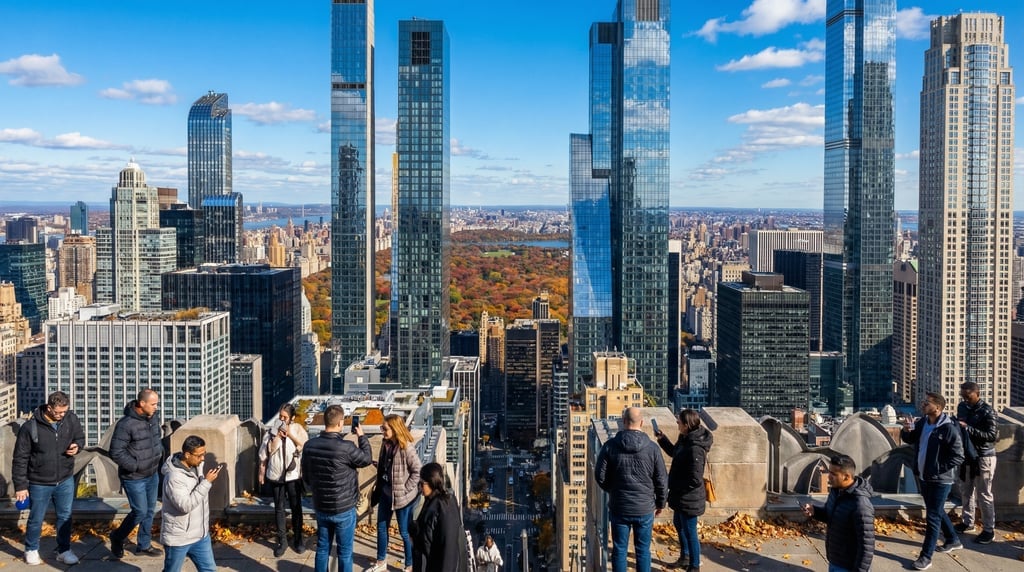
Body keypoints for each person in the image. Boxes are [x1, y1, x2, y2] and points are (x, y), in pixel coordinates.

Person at [11, 390, 85, 566]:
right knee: (36, 517)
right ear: (49, 407)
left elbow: (80, 437)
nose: (61, 415)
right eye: (57, 412)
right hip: (39, 481)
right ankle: (31, 549)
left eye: (64, 412)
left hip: (65, 478)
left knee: (65, 516)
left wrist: (77, 446)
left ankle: (64, 549)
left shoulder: (71, 420)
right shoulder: (30, 427)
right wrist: (21, 486)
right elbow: (20, 458)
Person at [595, 406, 668, 572]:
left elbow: (600, 476)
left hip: (620, 506)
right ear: (641, 423)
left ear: (623, 422)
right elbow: (662, 480)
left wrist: (612, 491)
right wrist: (660, 503)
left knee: (619, 549)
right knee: (643, 550)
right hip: (644, 507)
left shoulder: (609, 446)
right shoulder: (652, 448)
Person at [302, 405, 373, 572]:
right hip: (344, 507)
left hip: (321, 505)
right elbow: (366, 459)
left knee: (322, 548)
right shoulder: (346, 447)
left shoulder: (309, 446)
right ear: (341, 423)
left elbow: (305, 475)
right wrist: (361, 436)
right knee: (345, 552)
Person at [901, 392, 965, 570]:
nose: (923, 405)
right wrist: (906, 430)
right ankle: (953, 539)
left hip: (940, 480)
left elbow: (958, 456)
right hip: (923, 476)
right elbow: (911, 440)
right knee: (935, 511)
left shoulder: (948, 428)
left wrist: (937, 469)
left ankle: (925, 557)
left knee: (932, 518)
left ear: (937, 407)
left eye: (926, 403)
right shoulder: (923, 422)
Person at [109, 388, 165, 559]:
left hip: (152, 473)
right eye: (153, 404)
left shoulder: (152, 418)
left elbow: (155, 440)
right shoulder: (126, 424)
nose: (156, 407)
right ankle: (117, 537)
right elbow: (116, 451)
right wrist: (136, 466)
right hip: (134, 477)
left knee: (149, 510)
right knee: (139, 511)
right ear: (142, 403)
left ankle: (144, 544)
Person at [655, 409, 712, 572]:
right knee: (679, 524)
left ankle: (694, 566)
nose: (677, 423)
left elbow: (695, 478)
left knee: (690, 530)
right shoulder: (685, 438)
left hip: (689, 497)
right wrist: (662, 439)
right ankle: (685, 557)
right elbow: (675, 452)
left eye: (679, 421)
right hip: (681, 496)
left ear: (687, 425)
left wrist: (676, 485)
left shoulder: (695, 448)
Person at [367, 414, 423, 572]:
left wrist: (404, 489)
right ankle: (381, 560)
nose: (382, 431)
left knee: (404, 532)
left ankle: (409, 565)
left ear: (395, 429)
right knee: (381, 528)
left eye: (385, 428)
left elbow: (417, 471)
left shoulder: (406, 448)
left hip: (402, 498)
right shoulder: (386, 445)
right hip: (385, 493)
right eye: (382, 428)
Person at [801, 455, 875, 572]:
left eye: (834, 474)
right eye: (829, 472)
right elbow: (831, 516)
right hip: (835, 560)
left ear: (847, 477)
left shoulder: (861, 505)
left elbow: (867, 547)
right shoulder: (836, 492)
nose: (829, 477)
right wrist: (815, 511)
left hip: (849, 566)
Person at [161, 435, 221, 572]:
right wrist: (206, 483)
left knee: (210, 570)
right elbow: (185, 506)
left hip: (201, 535)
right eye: (199, 455)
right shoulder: (174, 478)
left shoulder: (197, 466)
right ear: (187, 454)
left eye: (204, 454)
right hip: (179, 538)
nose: (203, 458)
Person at [259, 403, 309, 557]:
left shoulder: (298, 429)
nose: (281, 419)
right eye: (280, 416)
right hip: (276, 475)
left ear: (292, 418)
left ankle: (298, 539)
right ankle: (282, 540)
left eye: (285, 417)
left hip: (293, 475)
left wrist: (290, 435)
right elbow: (265, 454)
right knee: (279, 508)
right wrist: (276, 438)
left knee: (296, 507)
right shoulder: (271, 432)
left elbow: (305, 445)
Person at [955, 381, 998, 544]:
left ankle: (989, 529)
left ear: (977, 393)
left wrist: (968, 428)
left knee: (984, 493)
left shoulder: (988, 411)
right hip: (967, 455)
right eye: (963, 395)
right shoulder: (962, 407)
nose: (965, 399)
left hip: (984, 456)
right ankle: (967, 522)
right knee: (966, 490)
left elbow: (992, 436)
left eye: (968, 396)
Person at [410, 462, 468, 572]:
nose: (420, 488)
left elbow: (447, 547)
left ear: (432, 482)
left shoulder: (441, 507)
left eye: (422, 484)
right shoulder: (438, 500)